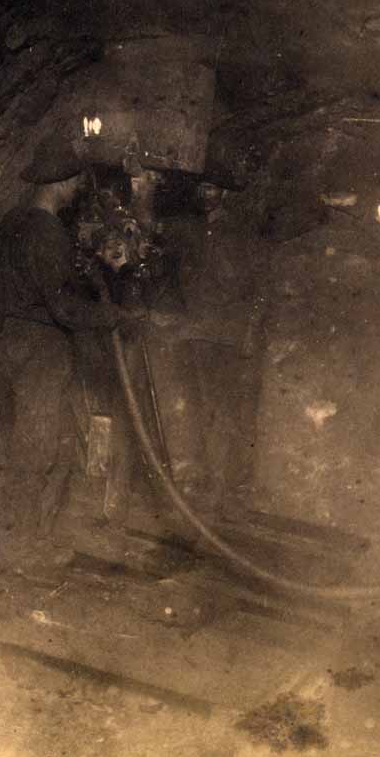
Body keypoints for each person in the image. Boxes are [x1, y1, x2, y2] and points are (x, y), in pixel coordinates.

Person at [0, 132, 135, 575]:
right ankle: (20, 548)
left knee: (36, 442)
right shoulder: (48, 231)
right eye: (73, 182)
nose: (75, 190)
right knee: (38, 449)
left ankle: (32, 535)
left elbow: (26, 283)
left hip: (12, 338)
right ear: (60, 183)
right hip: (41, 346)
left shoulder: (13, 222)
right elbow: (63, 307)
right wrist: (111, 316)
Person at [145, 172, 266, 525]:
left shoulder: (241, 232)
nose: (204, 193)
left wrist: (249, 331)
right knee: (209, 415)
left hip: (229, 338)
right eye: (201, 187)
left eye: (211, 187)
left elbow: (258, 287)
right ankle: (218, 494)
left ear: (225, 192)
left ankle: (231, 496)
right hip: (203, 336)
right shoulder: (195, 230)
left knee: (231, 419)